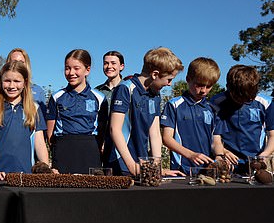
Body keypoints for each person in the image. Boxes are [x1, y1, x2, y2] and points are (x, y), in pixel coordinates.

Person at [106, 47, 184, 176]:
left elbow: (155, 134)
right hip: (121, 163)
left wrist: (156, 167)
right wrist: (131, 165)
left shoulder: (155, 95)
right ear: (154, 74)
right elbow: (115, 129)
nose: (169, 84)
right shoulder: (126, 89)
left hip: (142, 162)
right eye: (169, 79)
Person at [0, 61, 50, 180]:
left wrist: (46, 169)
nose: (12, 86)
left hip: (27, 176)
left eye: (17, 81)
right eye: (7, 81)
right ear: (1, 82)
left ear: (25, 83)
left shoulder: (34, 108)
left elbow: (40, 143)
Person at [46, 49, 107, 174]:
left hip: (90, 151)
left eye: (76, 68)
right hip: (63, 150)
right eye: (67, 68)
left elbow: (102, 132)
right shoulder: (57, 97)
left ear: (87, 70)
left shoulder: (100, 98)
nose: (71, 73)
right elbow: (50, 133)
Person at [161, 57, 224, 171]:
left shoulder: (213, 109)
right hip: (181, 170)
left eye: (209, 86)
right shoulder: (174, 105)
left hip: (207, 170)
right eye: (199, 85)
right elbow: (166, 138)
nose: (203, 90)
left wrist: (219, 157)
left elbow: (216, 140)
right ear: (188, 79)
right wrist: (190, 155)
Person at [210, 65, 274, 172]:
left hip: (255, 162)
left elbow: (272, 135)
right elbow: (214, 135)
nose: (245, 101)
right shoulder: (216, 102)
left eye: (249, 98)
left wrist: (263, 156)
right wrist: (223, 152)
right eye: (240, 98)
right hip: (228, 161)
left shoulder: (266, 103)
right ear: (229, 88)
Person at [5, 48, 47, 118]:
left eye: (21, 62)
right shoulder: (0, 91)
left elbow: (42, 120)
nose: (17, 65)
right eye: (14, 61)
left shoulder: (38, 91)